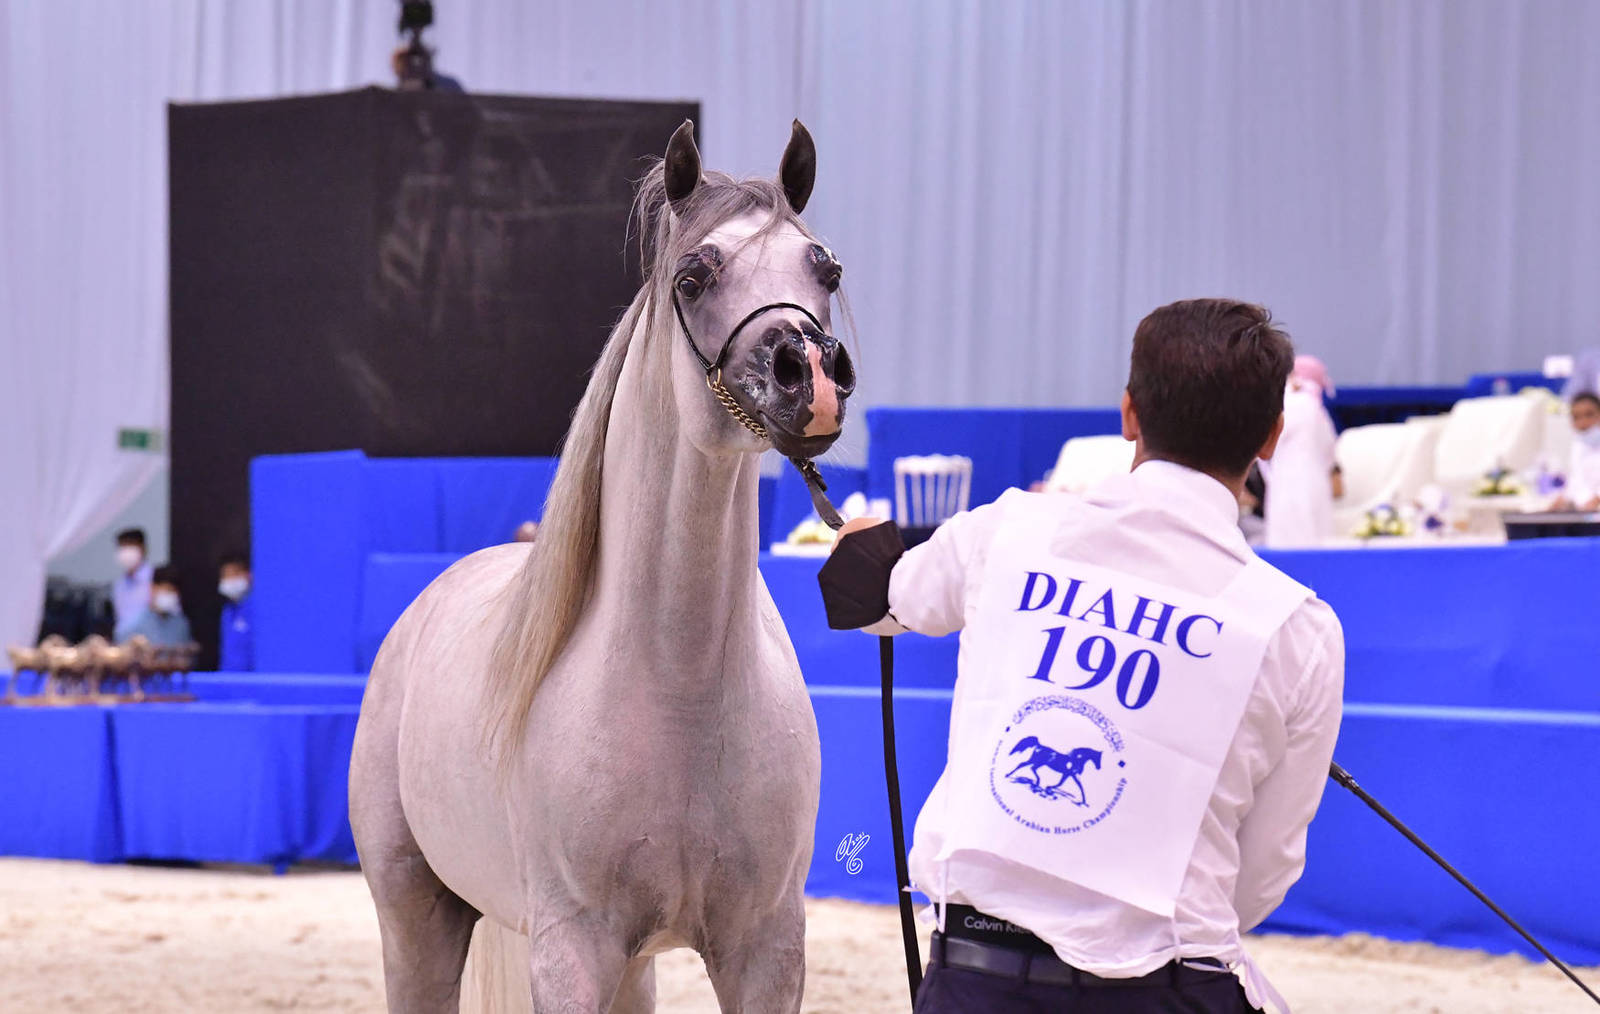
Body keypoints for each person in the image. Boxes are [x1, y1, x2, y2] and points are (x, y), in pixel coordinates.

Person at [819, 299, 1345, 1014]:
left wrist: (860, 540)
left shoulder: (1009, 529)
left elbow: (875, 597)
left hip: (977, 980)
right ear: (1274, 436)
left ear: (1129, 414)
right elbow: (1261, 877)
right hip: (1170, 988)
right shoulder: (1299, 628)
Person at [1262, 355, 1339, 548]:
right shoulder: (1316, 408)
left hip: (1287, 484)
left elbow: (1266, 442)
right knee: (1317, 545)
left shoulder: (1287, 404)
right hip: (1316, 483)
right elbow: (1330, 451)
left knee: (1286, 547)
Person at [117, 564, 192, 647]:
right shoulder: (132, 627)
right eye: (168, 589)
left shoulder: (181, 625)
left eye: (174, 592)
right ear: (153, 588)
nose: (171, 595)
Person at [1557, 392, 1600, 511]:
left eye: (1589, 415)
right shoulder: (1577, 446)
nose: (1583, 422)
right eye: (1576, 417)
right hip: (1581, 513)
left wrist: (1595, 501)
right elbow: (1575, 483)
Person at [111, 528, 154, 640]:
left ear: (143, 548)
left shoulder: (154, 580)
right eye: (122, 547)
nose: (126, 552)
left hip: (151, 644)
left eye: (130, 546)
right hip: (124, 643)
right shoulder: (119, 585)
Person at [218, 553, 255, 671]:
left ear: (248, 575)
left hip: (252, 678)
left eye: (234, 574)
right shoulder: (227, 611)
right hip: (229, 677)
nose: (229, 580)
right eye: (225, 576)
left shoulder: (256, 608)